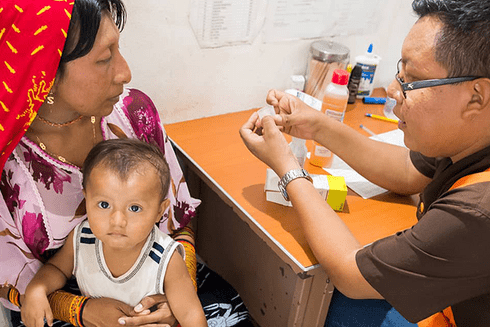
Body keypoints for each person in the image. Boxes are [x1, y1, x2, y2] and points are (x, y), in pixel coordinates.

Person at [0, 0, 251, 326]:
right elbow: (14, 284)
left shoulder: (133, 113)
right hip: (58, 305)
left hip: (158, 280)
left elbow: (176, 216)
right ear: (45, 71)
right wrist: (82, 312)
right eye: (104, 58)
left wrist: (175, 296)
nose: (125, 72)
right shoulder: (9, 161)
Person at [239, 0, 490, 326]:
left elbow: (350, 271)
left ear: (476, 97)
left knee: (324, 304)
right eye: (400, 72)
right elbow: (406, 172)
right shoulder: (469, 133)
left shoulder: (477, 211)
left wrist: (287, 168)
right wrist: (315, 124)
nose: (394, 91)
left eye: (411, 81)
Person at [21, 139, 207, 327]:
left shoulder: (165, 258)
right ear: (86, 200)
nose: (117, 221)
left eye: (134, 208)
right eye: (104, 205)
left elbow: (191, 315)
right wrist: (38, 288)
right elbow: (57, 269)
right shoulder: (82, 238)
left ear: (160, 211)